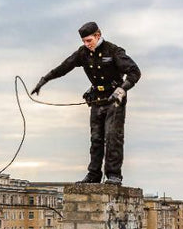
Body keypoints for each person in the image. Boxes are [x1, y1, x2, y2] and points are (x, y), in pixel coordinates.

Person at [31, 21, 141, 185]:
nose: (86, 44)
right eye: (84, 41)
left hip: (114, 100)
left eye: (89, 40)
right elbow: (64, 67)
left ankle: (113, 175)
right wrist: (44, 80)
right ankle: (94, 174)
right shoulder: (83, 53)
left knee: (113, 137)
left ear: (98, 35)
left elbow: (134, 72)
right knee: (96, 138)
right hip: (97, 98)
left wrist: (122, 89)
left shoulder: (114, 51)